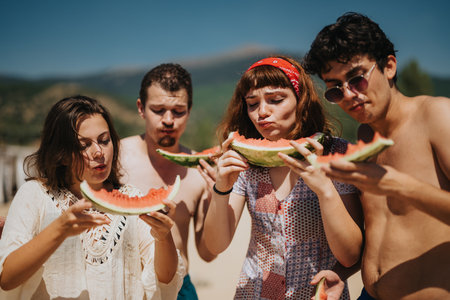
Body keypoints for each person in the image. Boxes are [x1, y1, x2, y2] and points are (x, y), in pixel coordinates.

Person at [302, 12, 450, 300]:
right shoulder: (365, 138)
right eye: (334, 89)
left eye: (357, 79)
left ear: (389, 66)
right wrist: (341, 273)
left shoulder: (437, 115)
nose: (348, 94)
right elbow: (382, 230)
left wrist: (400, 186)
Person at [202, 56, 364, 299]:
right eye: (252, 104)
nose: (262, 112)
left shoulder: (336, 154)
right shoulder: (244, 162)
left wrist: (324, 189)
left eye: (276, 100)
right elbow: (215, 245)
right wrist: (221, 188)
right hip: (253, 293)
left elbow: (350, 255)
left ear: (301, 100)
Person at [0, 95, 185, 299]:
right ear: (60, 154)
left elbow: (165, 280)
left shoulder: (131, 197)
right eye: (84, 145)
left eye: (104, 141)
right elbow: (7, 278)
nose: (98, 152)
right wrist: (59, 229)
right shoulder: (34, 195)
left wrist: (163, 236)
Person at [120, 63, 216, 299]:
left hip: (179, 289)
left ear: (190, 110)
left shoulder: (199, 170)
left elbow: (207, 252)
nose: (168, 120)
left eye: (179, 111)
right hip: (123, 285)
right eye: (158, 110)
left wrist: (218, 196)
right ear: (141, 108)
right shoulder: (115, 158)